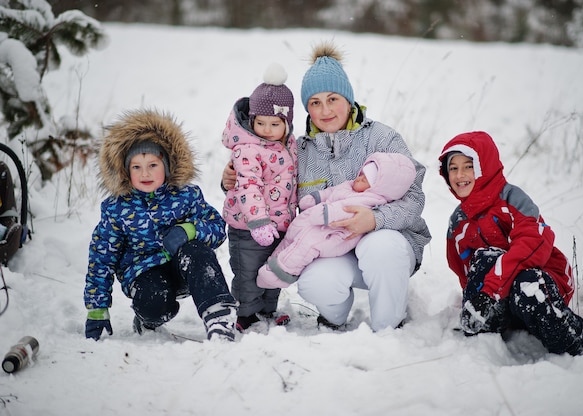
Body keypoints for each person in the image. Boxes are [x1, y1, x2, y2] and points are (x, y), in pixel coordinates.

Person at [223, 41, 431, 332]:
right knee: (314, 282)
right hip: (334, 248)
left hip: (388, 245)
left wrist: (375, 219)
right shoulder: (298, 151)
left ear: (349, 99)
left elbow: (414, 196)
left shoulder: (382, 138)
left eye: (333, 99)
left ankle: (388, 327)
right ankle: (333, 319)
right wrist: (231, 179)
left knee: (380, 247)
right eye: (315, 103)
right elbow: (268, 183)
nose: (325, 110)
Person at [84, 109, 237, 342]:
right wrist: (97, 307)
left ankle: (218, 316)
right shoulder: (117, 209)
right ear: (126, 171)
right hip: (143, 273)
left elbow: (216, 226)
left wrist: (190, 230)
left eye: (153, 165)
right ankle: (147, 320)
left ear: (167, 165)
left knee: (197, 252)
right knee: (155, 301)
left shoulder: (186, 195)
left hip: (182, 266)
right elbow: (101, 258)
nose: (145, 173)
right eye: (136, 167)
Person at [438, 131, 583, 355]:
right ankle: (486, 335)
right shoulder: (458, 222)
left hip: (539, 285)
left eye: (468, 166)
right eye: (453, 168)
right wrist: (476, 300)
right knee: (484, 260)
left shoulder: (512, 200)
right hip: (497, 297)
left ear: (483, 167)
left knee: (525, 283)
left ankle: (571, 342)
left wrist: (488, 291)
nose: (460, 174)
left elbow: (532, 246)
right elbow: (462, 269)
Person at [257, 152, 416, 289]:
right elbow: (332, 191)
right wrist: (316, 198)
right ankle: (271, 264)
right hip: (316, 222)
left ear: (378, 187)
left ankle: (282, 274)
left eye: (366, 180)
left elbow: (346, 211)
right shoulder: (350, 185)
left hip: (334, 235)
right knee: (291, 239)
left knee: (306, 245)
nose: (358, 179)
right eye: (361, 174)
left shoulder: (370, 199)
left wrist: (327, 213)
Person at [222, 63, 298, 331]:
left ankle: (268, 310)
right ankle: (246, 314)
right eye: (260, 122)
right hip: (248, 227)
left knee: (272, 270)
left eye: (274, 123)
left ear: (287, 123)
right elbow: (248, 185)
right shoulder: (248, 149)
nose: (266, 129)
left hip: (279, 225)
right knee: (249, 274)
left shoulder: (290, 146)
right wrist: (258, 222)